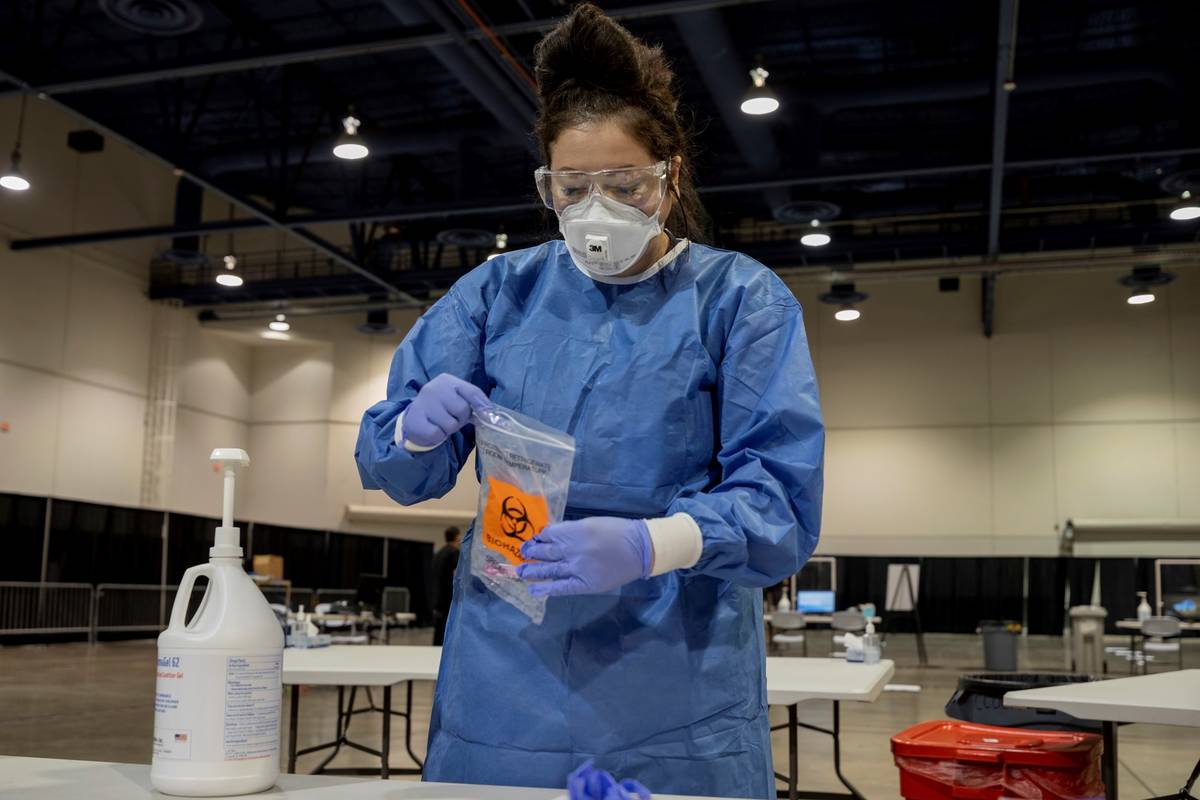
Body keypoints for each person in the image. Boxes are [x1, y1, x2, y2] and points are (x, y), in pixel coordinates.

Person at [356, 5, 823, 797]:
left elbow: (779, 503)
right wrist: (410, 430)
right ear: (546, 184)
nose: (595, 209)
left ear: (670, 178)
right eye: (572, 187)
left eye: (625, 185)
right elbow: (396, 471)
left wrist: (654, 545)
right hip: (505, 673)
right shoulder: (499, 293)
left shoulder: (740, 300)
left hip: (675, 668)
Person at [430, 526, 461, 646]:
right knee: (446, 628)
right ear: (457, 537)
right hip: (448, 596)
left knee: (438, 629)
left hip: (436, 596)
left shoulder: (438, 553)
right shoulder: (454, 553)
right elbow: (458, 573)